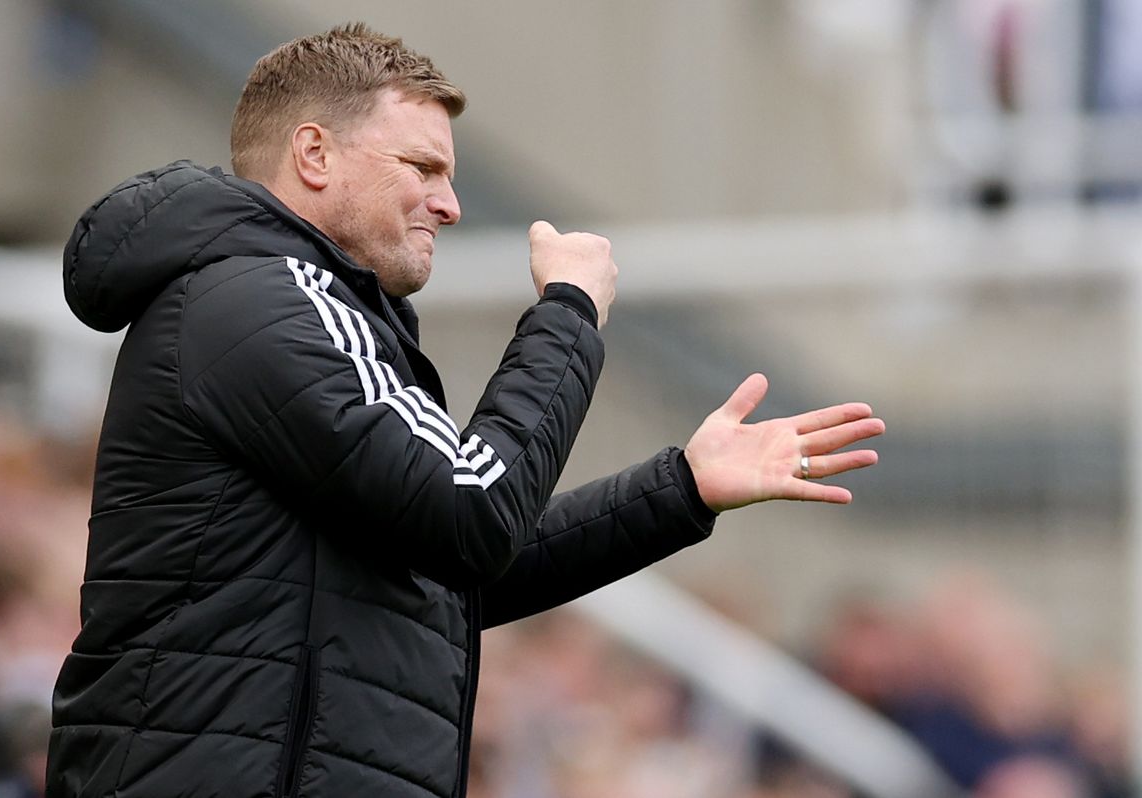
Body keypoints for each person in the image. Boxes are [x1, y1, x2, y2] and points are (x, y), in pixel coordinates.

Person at [46, 22, 884, 798]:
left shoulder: (291, 307)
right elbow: (471, 511)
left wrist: (682, 488)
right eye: (422, 168)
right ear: (314, 154)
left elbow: (446, 575)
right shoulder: (264, 300)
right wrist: (567, 314)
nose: (449, 204)